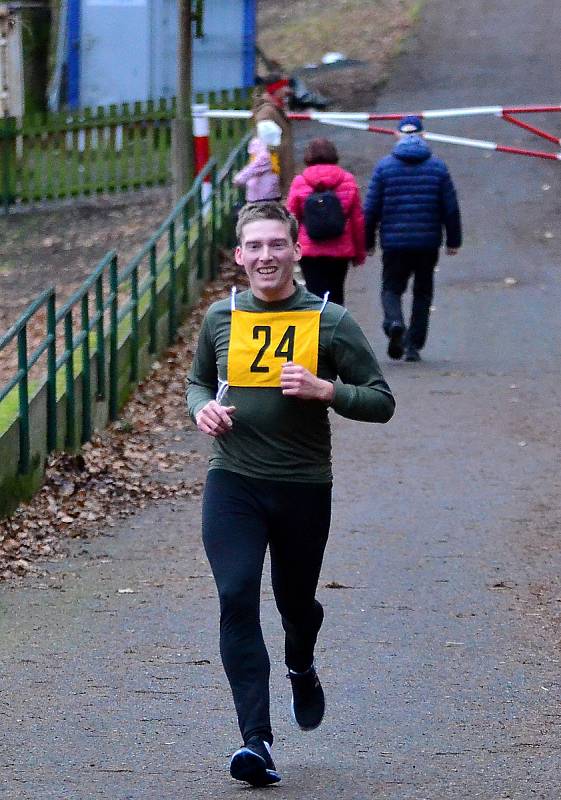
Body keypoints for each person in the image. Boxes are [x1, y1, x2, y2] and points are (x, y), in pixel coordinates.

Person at [186, 202, 395, 787]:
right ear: (239, 256)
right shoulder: (220, 317)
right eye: (254, 246)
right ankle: (257, 741)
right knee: (234, 595)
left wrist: (328, 389)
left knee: (294, 606)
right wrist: (203, 409)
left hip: (303, 486)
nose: (266, 256)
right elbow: (199, 379)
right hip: (233, 482)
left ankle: (301, 661)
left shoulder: (329, 320)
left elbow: (381, 400)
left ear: (297, 251)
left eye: (277, 244)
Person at [364, 115, 462, 362]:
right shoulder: (437, 167)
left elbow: (371, 209)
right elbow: (450, 207)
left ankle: (395, 322)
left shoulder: (384, 167)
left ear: (397, 135)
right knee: (423, 292)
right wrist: (453, 240)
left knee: (391, 289)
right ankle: (413, 345)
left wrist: (367, 242)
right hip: (427, 243)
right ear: (423, 136)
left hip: (394, 243)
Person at [286, 137, 366, 306]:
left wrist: (288, 251)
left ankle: (318, 329)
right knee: (336, 296)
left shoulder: (299, 182)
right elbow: (357, 220)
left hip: (309, 251)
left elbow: (291, 218)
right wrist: (359, 253)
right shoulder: (348, 180)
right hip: (341, 250)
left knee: (315, 296)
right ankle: (335, 329)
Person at [252, 74, 295, 198]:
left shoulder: (276, 108)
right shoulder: (267, 111)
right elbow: (264, 138)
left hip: (280, 165)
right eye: (284, 87)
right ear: (276, 89)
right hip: (274, 169)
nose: (287, 91)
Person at [233, 124, 282, 203]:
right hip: (267, 192)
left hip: (261, 194)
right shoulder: (269, 152)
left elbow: (252, 168)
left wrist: (238, 179)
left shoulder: (263, 155)